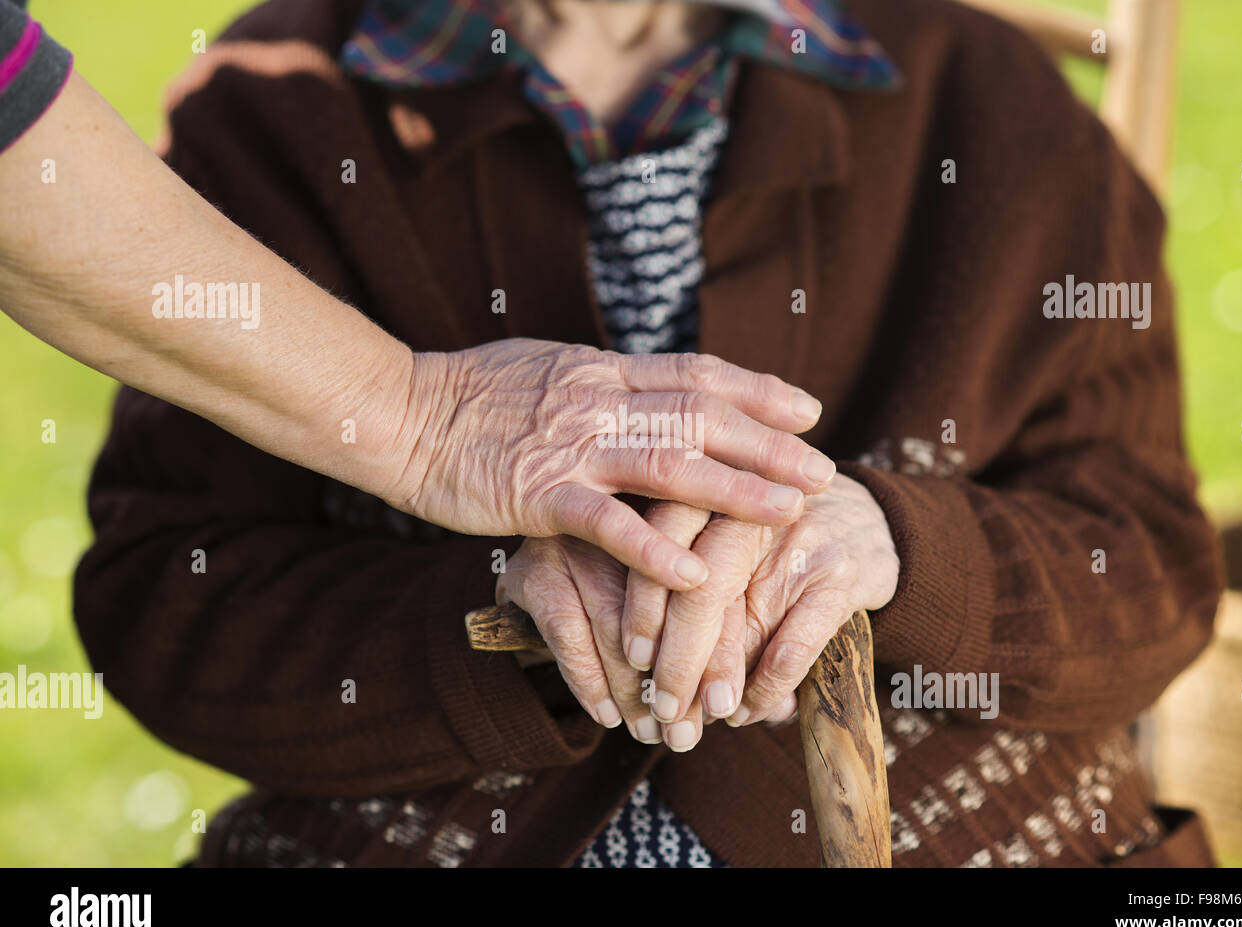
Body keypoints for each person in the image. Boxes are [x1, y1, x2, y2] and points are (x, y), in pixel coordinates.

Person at [74, 0, 1222, 868]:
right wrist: (501, 611)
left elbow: (1152, 563)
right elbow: (167, 595)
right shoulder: (272, 115)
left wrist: (893, 547)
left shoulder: (995, 106)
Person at [0, 0, 835, 592]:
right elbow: (167, 578)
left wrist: (899, 543)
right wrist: (485, 597)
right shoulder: (269, 101)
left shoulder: (953, 79)